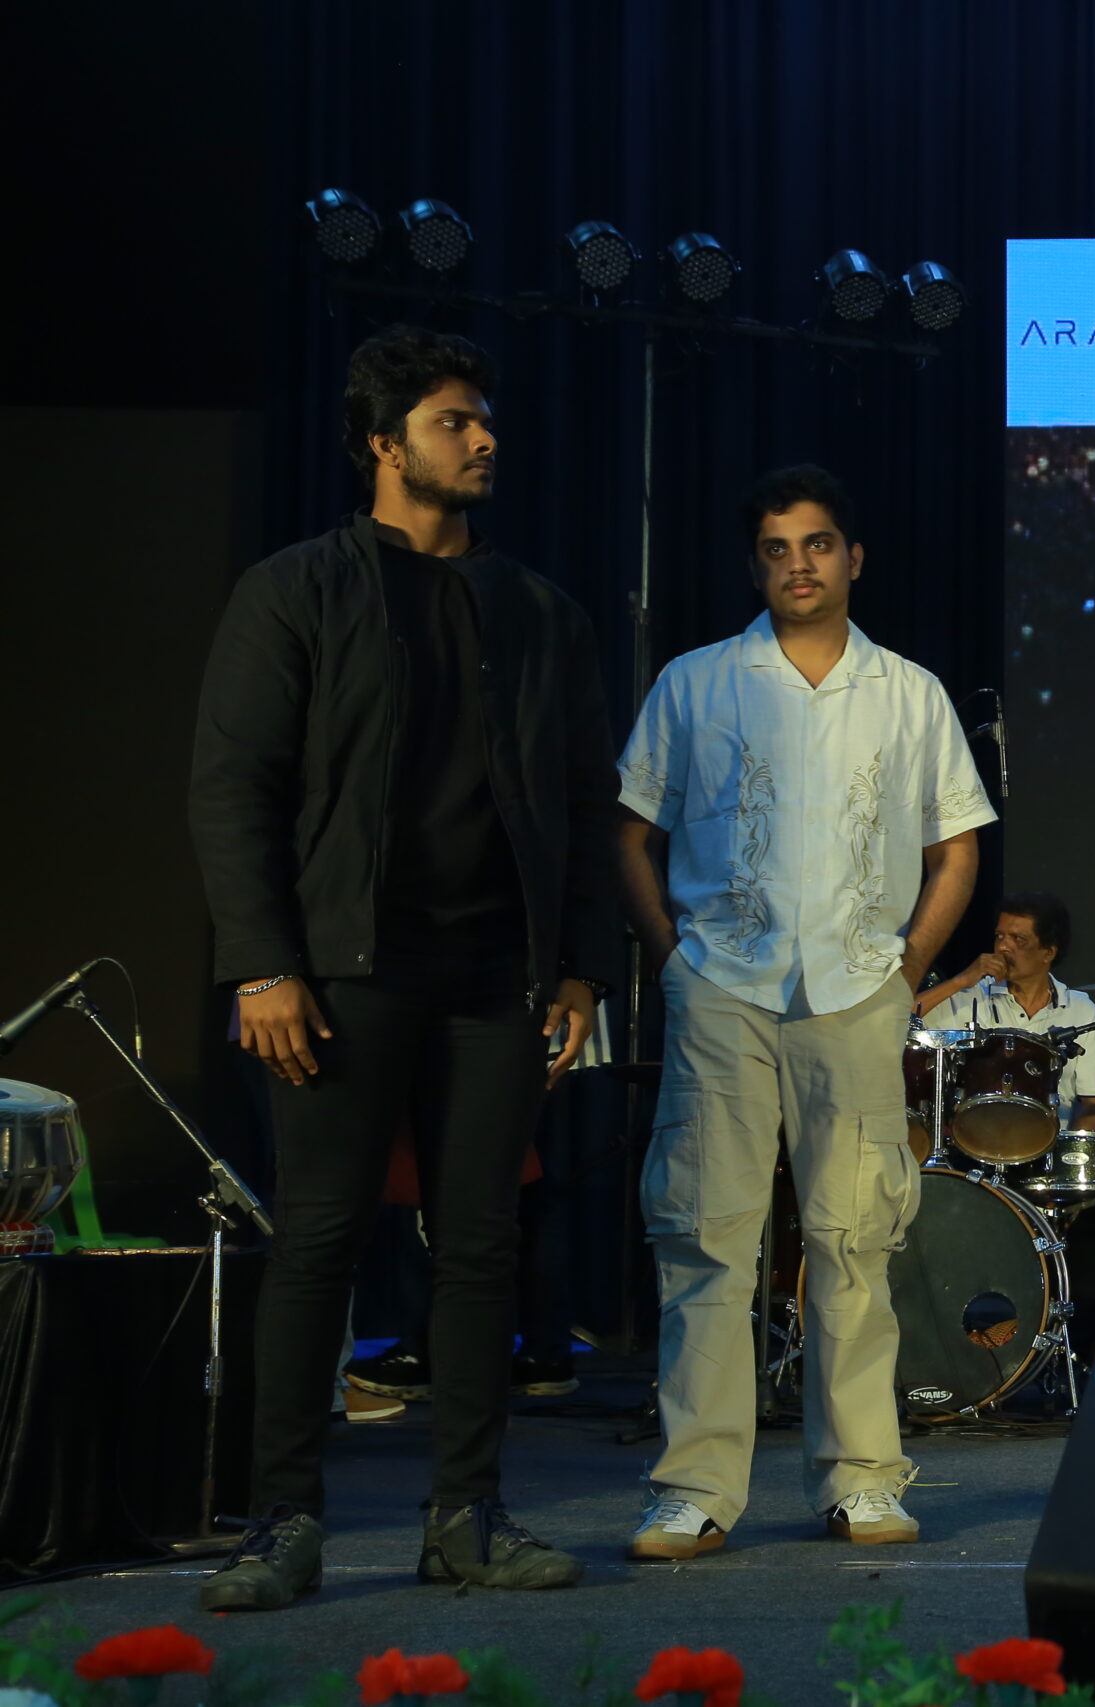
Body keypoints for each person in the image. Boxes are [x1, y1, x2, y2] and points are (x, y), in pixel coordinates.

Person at [188, 326, 616, 1609]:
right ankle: (282, 1522)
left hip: (496, 977)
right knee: (318, 1239)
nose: (483, 438)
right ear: (383, 445)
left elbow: (584, 803)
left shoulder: (538, 612)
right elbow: (233, 789)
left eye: (483, 418)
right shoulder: (296, 590)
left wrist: (580, 968)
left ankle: (468, 1518)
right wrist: (263, 965)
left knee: (481, 1244)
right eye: (451, 421)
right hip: (341, 974)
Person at [616, 464, 994, 1561]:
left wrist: (905, 968)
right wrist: (671, 960)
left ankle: (863, 1479)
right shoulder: (695, 682)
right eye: (778, 549)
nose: (799, 565)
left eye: (818, 544)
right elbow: (630, 833)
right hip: (722, 988)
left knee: (855, 1239)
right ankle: (693, 1489)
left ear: (852, 558)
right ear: (756, 566)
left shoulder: (908, 691)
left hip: (855, 990)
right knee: (705, 1240)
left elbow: (957, 847)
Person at [915, 891, 1095, 1133]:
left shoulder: (1081, 1010)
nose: (1003, 947)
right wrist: (960, 981)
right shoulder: (969, 997)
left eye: (1018, 939)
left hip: (1050, 1146)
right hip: (971, 1143)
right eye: (999, 936)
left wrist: (1069, 1150)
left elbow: (1094, 1104)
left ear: (1048, 952)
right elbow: (894, 1021)